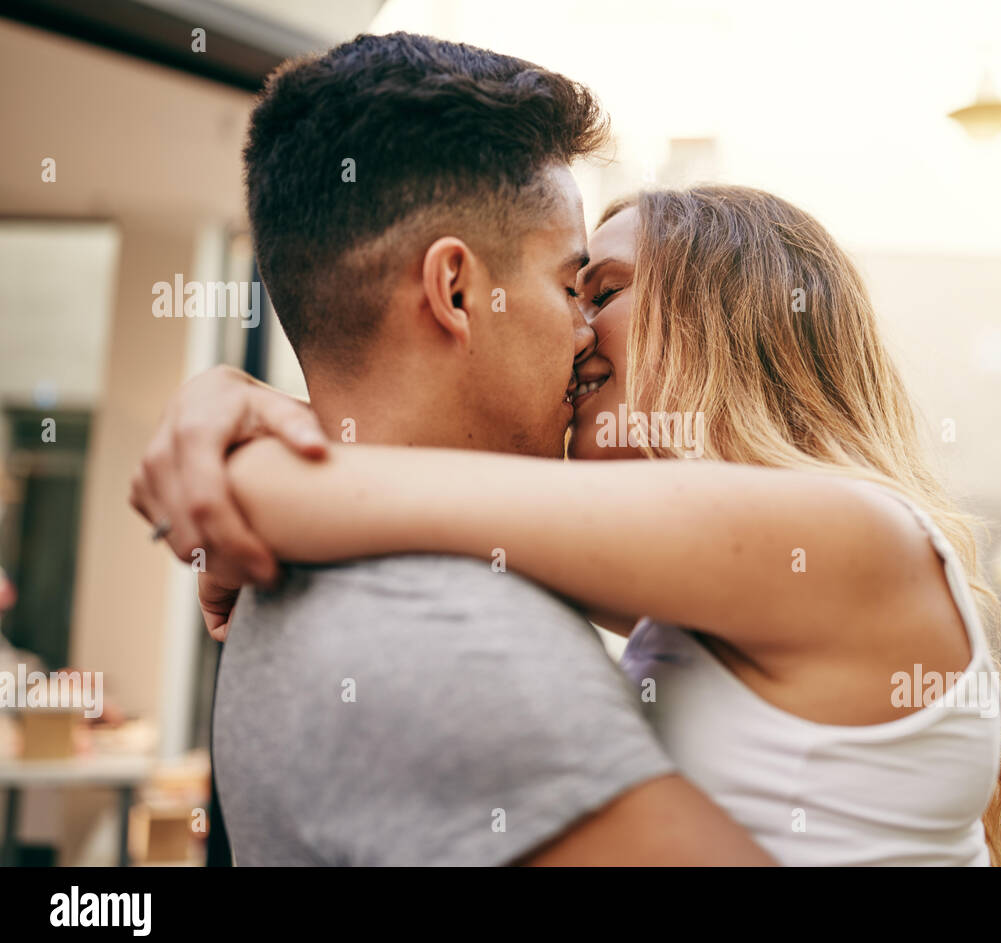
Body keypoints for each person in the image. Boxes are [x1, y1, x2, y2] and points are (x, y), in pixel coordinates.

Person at [131, 32, 771, 867]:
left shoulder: (317, 559)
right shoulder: (461, 637)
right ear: (457, 290)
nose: (584, 333)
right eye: (569, 285)